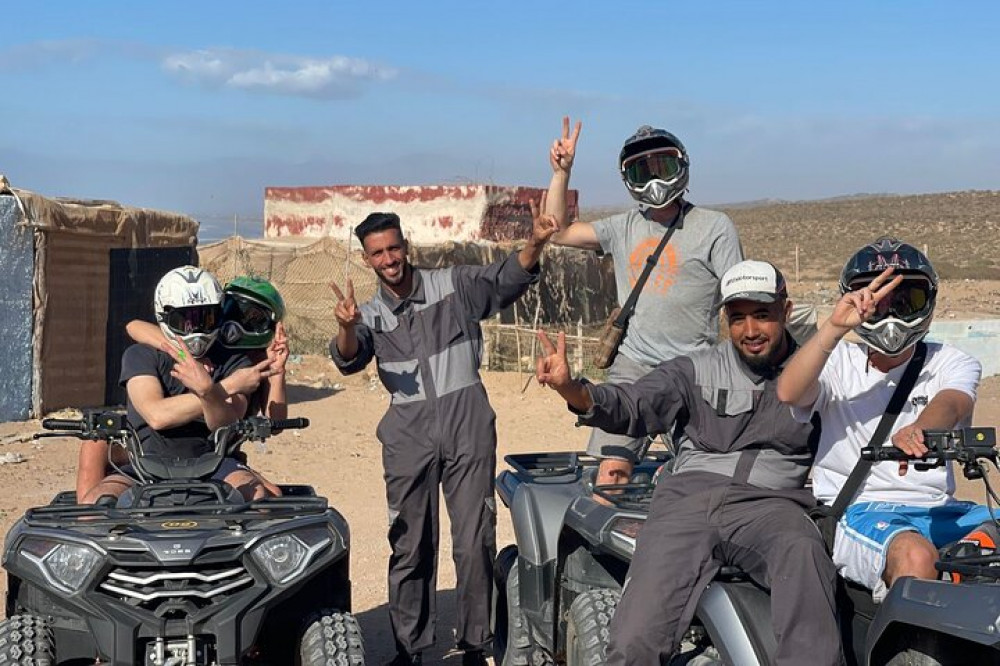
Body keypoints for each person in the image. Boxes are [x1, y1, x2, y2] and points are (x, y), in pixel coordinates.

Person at [535, 259, 843, 666]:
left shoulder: (820, 373)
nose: (750, 331)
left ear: (786, 311)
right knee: (634, 638)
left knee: (805, 556)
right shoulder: (695, 369)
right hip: (688, 504)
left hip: (773, 506)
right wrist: (572, 388)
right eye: (737, 319)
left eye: (762, 316)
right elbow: (632, 404)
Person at [329, 205, 557, 666]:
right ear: (367, 259)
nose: (389, 258)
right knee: (410, 543)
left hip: (466, 421)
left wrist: (534, 243)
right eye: (378, 253)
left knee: (474, 538)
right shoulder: (368, 314)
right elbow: (349, 359)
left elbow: (504, 279)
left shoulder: (452, 286)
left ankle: (476, 644)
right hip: (407, 434)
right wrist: (346, 327)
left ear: (405, 246)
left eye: (394, 247)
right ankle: (409, 649)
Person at [777, 237, 989, 601]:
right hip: (859, 511)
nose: (891, 315)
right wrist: (834, 327)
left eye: (908, 301)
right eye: (877, 303)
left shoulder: (952, 361)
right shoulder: (837, 364)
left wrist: (921, 429)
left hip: (939, 510)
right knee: (917, 557)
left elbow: (952, 402)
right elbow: (789, 392)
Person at [543, 117, 744, 487]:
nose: (653, 181)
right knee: (610, 473)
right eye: (641, 171)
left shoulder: (715, 227)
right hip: (633, 368)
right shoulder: (622, 228)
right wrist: (560, 173)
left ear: (680, 165)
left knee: (701, 479)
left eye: (662, 167)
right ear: (628, 179)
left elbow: (739, 298)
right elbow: (558, 231)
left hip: (693, 369)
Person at [76, 276, 290, 501]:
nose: (196, 327)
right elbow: (156, 414)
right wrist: (214, 381)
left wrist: (275, 372)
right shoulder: (148, 353)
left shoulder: (238, 363)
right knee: (97, 497)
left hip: (215, 458)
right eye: (185, 320)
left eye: (206, 318)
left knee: (265, 498)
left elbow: (237, 420)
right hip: (150, 459)